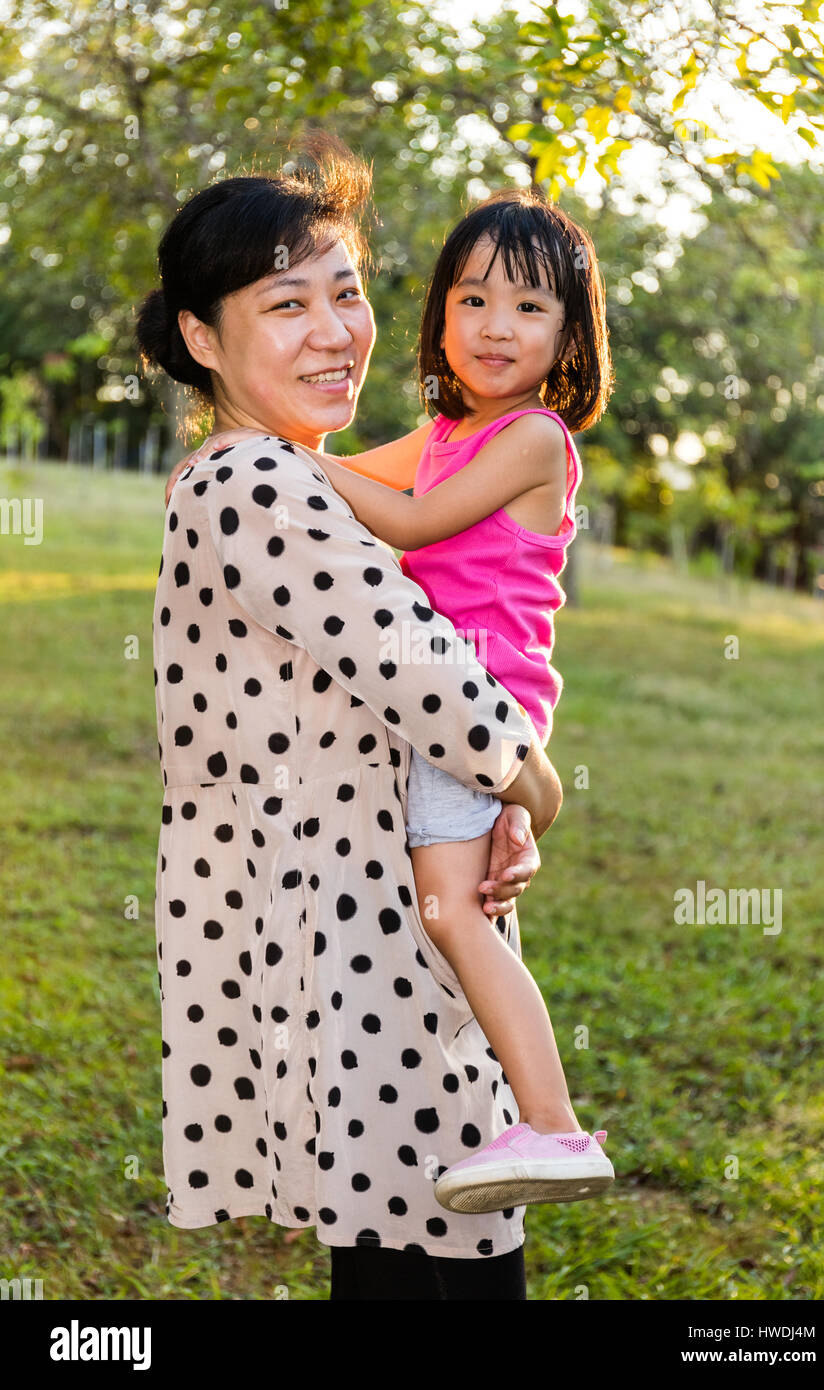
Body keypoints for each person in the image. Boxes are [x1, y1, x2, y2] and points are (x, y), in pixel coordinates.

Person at [139, 132, 563, 1301]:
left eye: (349, 292)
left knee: (406, 1244)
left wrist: (485, 804)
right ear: (199, 335)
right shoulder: (255, 479)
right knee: (438, 1246)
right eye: (287, 303)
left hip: (376, 914)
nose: (336, 330)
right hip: (359, 948)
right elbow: (424, 670)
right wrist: (531, 781)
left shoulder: (277, 470)